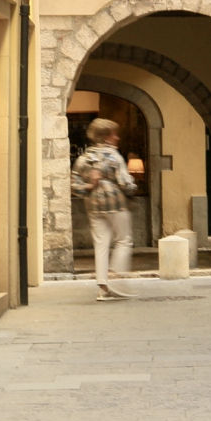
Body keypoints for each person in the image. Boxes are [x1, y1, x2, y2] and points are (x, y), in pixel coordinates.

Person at [70, 118, 137, 300]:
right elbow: (125, 182)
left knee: (101, 244)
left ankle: (103, 288)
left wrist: (90, 186)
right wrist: (132, 188)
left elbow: (74, 185)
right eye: (114, 134)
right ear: (107, 136)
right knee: (124, 240)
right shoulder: (114, 156)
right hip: (115, 203)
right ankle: (115, 275)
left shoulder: (84, 159)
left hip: (93, 205)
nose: (117, 137)